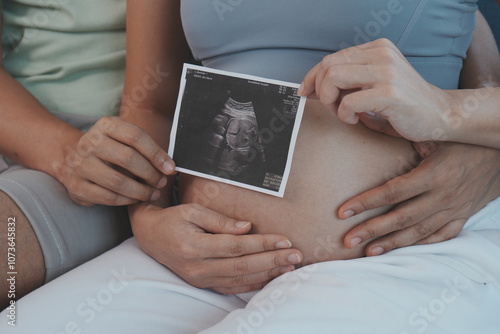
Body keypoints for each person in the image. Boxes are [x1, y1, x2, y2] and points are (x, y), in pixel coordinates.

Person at [2, 1, 499, 333]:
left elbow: (485, 81)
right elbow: (151, 103)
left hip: (400, 253)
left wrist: (450, 111)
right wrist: (149, 219)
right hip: (197, 259)